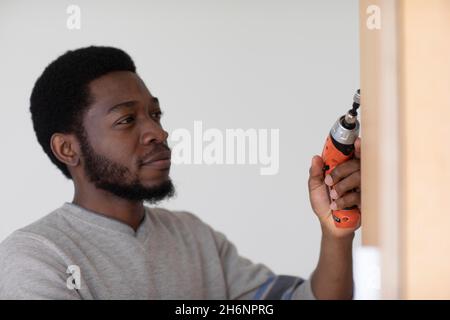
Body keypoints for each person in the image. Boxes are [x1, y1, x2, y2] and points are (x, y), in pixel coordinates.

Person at [0, 46, 361, 300]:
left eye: (155, 115)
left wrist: (336, 235)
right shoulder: (35, 258)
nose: (158, 132)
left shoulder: (194, 237)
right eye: (126, 120)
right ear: (68, 148)